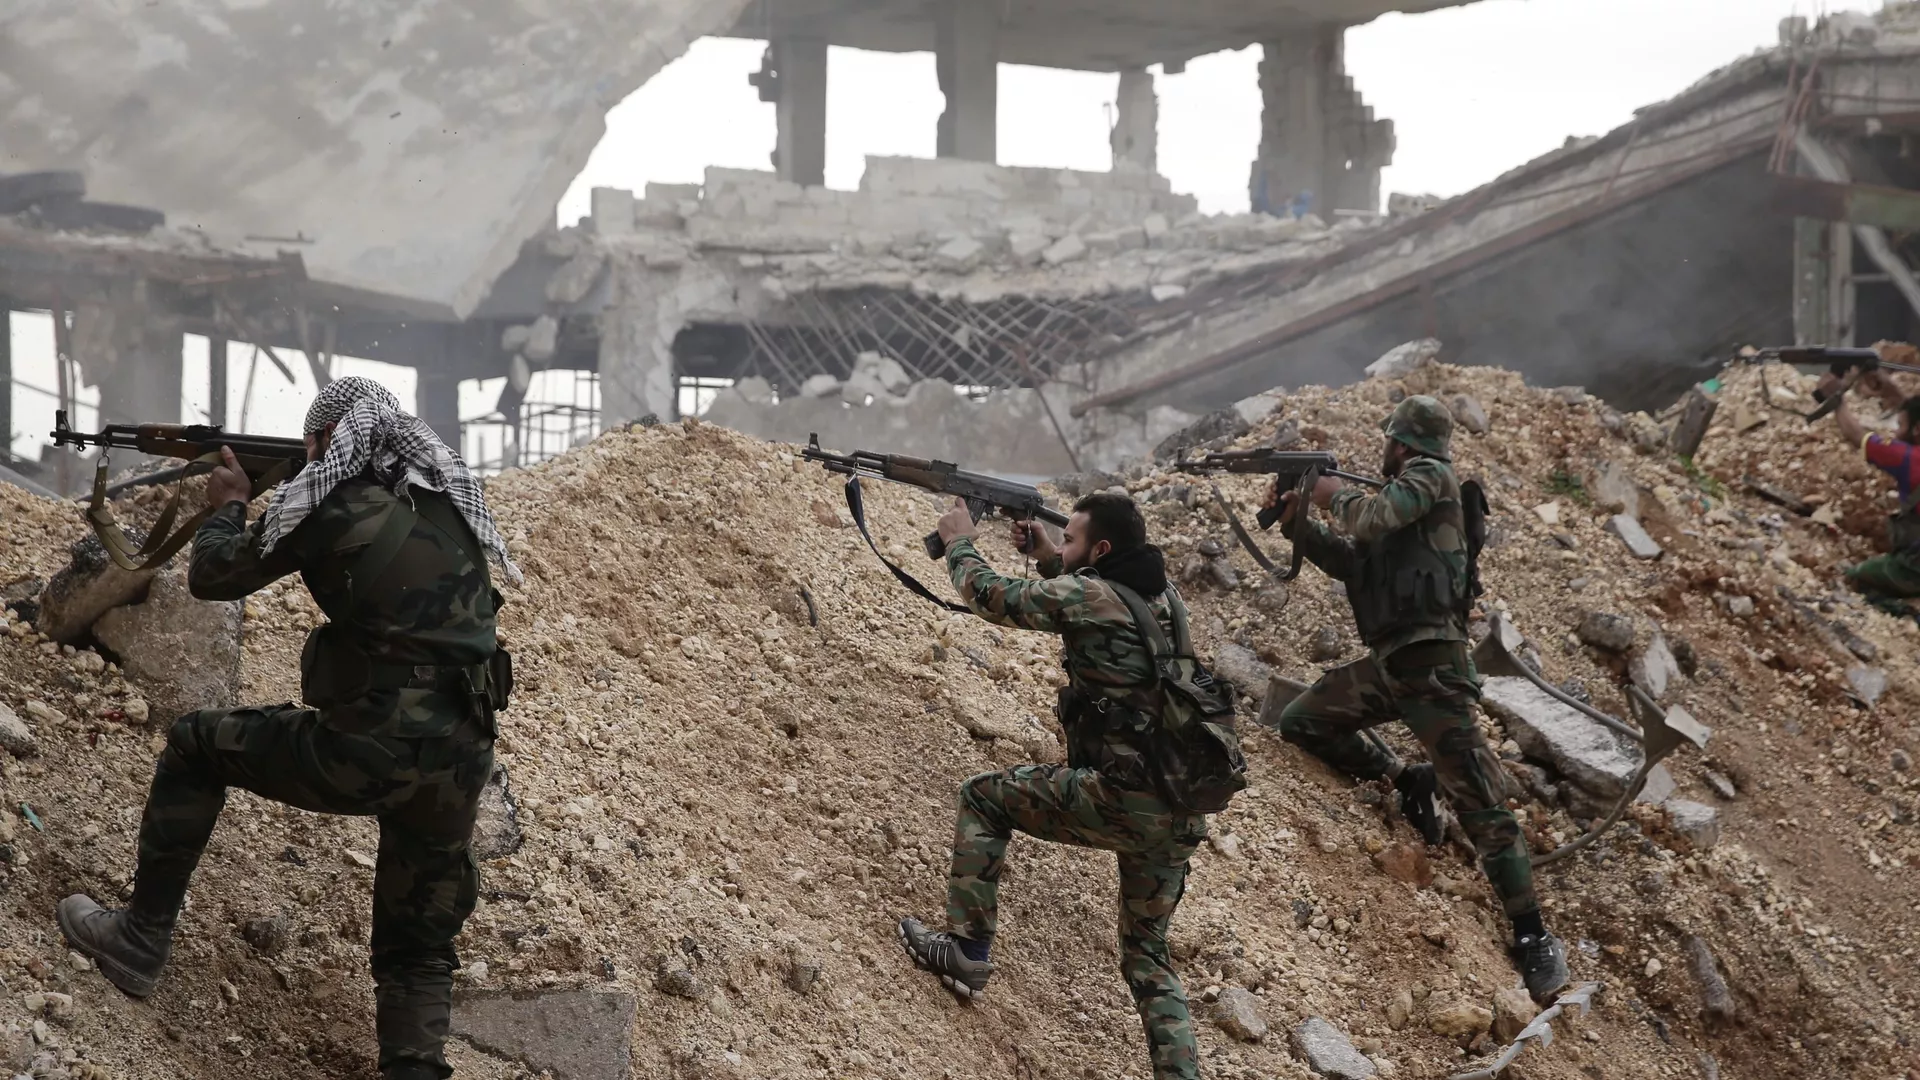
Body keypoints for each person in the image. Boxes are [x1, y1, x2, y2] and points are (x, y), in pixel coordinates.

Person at [56, 377, 519, 1080]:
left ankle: (137, 940)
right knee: (416, 944)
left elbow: (214, 578)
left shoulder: (332, 505)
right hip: (461, 755)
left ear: (329, 443)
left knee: (194, 745)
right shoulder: (447, 502)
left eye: (314, 445)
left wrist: (232, 505)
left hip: (367, 750)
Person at [1263, 395, 1569, 1004]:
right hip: (1390, 666)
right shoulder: (1398, 515)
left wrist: (1325, 493)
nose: (1385, 451)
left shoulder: (1429, 479)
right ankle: (1406, 777)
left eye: (1389, 442)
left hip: (1433, 671)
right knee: (1303, 721)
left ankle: (1533, 935)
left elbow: (1369, 519)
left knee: (1482, 802)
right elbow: (1351, 562)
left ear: (1402, 444)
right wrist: (1298, 522)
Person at [896, 493, 1211, 1080]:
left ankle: (965, 952)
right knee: (1147, 957)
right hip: (1180, 807)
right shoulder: (1163, 596)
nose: (1060, 546)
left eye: (1070, 539)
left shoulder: (1090, 592)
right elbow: (1097, 610)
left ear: (1103, 548)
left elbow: (994, 598)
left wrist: (961, 539)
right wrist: (1052, 558)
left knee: (984, 798)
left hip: (1123, 798)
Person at [1821, 369, 1920, 602]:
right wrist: (1887, 387)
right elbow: (1913, 412)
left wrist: (1836, 400)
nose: (1896, 432)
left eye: (1900, 425)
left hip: (1915, 568)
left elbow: (1857, 435)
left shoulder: (1908, 458)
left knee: (1858, 575)